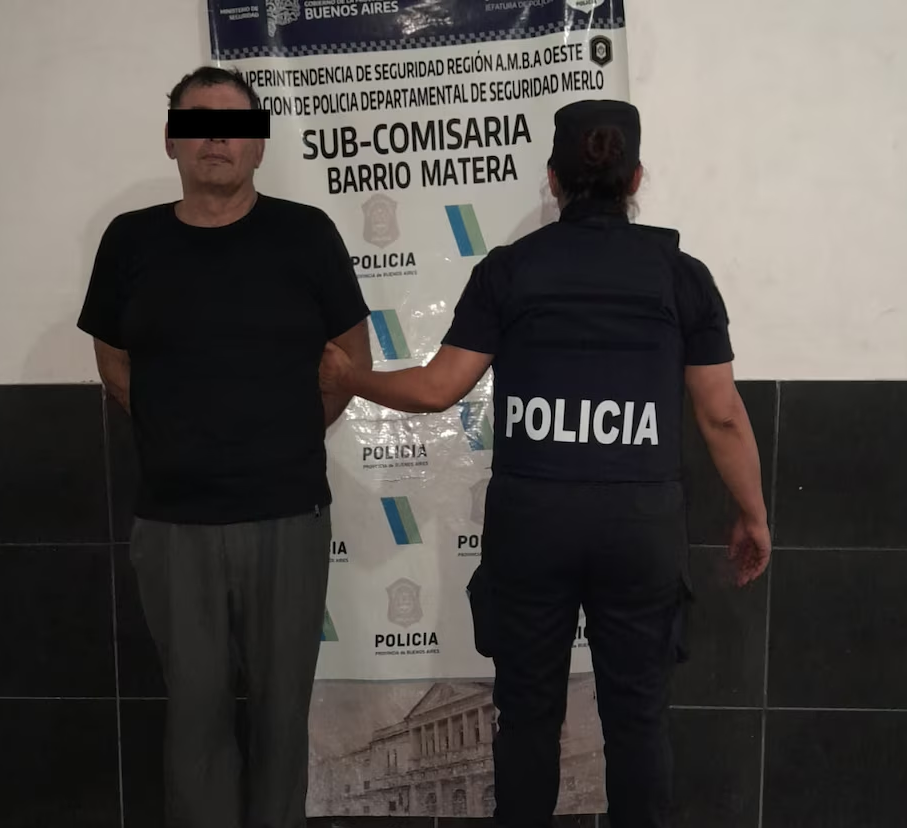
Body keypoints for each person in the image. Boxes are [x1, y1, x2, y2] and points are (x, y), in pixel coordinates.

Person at [318, 99, 771, 828]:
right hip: (639, 525)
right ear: (636, 179)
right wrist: (752, 513)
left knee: (526, 716)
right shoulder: (680, 275)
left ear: (554, 180)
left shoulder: (510, 270)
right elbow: (721, 414)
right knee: (638, 718)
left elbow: (438, 388)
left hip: (533, 524)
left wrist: (351, 377)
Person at [77, 67, 372, 828]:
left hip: (288, 513)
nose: (217, 137)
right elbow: (112, 359)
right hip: (174, 522)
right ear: (171, 139)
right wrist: (178, 426)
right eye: (198, 121)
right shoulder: (130, 240)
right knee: (194, 716)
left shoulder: (306, 234)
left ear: (258, 146)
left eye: (236, 125)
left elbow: (350, 360)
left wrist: (283, 433)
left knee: (282, 714)